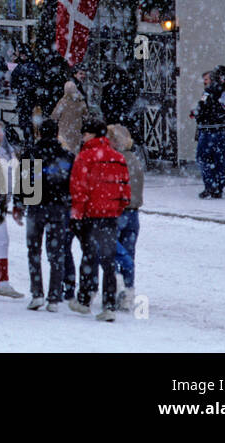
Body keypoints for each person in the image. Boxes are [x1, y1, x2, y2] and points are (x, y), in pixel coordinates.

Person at [69, 116, 131, 322]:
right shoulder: (118, 157)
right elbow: (125, 189)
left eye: (85, 133)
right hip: (110, 214)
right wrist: (116, 207)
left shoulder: (84, 157)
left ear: (90, 134)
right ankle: (109, 304)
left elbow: (79, 189)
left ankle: (85, 299)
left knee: (89, 256)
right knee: (108, 260)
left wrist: (77, 213)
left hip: (90, 214)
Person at [24, 119, 74, 311]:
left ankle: (37, 293)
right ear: (56, 134)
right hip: (58, 208)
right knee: (56, 252)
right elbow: (70, 183)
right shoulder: (66, 156)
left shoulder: (31, 154)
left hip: (36, 206)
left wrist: (21, 203)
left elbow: (25, 182)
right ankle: (54, 296)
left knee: (33, 251)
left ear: (39, 133)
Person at [0, 117, 25, 299]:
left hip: (0, 201)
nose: (2, 134)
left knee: (1, 241)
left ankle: (3, 282)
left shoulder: (7, 151)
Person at [108, 124, 144, 309]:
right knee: (129, 254)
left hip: (117, 211)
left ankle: (117, 285)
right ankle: (129, 291)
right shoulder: (136, 161)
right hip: (133, 212)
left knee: (111, 251)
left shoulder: (116, 161)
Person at [193, 69, 225, 198]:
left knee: (203, 158)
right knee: (219, 160)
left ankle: (209, 186)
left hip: (208, 129)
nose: (204, 82)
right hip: (221, 130)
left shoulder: (207, 93)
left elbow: (201, 108)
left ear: (212, 80)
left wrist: (196, 113)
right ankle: (218, 188)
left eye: (206, 79)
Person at [52, 79, 88, 154]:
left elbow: (54, 116)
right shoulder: (80, 101)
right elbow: (86, 116)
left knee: (65, 149)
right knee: (75, 150)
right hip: (76, 130)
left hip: (64, 130)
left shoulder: (63, 102)